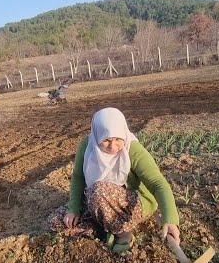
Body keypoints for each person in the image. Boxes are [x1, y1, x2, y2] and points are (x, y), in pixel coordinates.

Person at [50, 107, 180, 253]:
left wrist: (170, 219)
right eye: (106, 140)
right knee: (58, 221)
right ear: (97, 135)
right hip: (97, 199)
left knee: (98, 191)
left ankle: (123, 235)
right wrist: (73, 209)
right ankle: (101, 228)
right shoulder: (88, 146)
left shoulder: (133, 149)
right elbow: (78, 177)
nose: (113, 146)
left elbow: (158, 183)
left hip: (131, 203)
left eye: (118, 139)